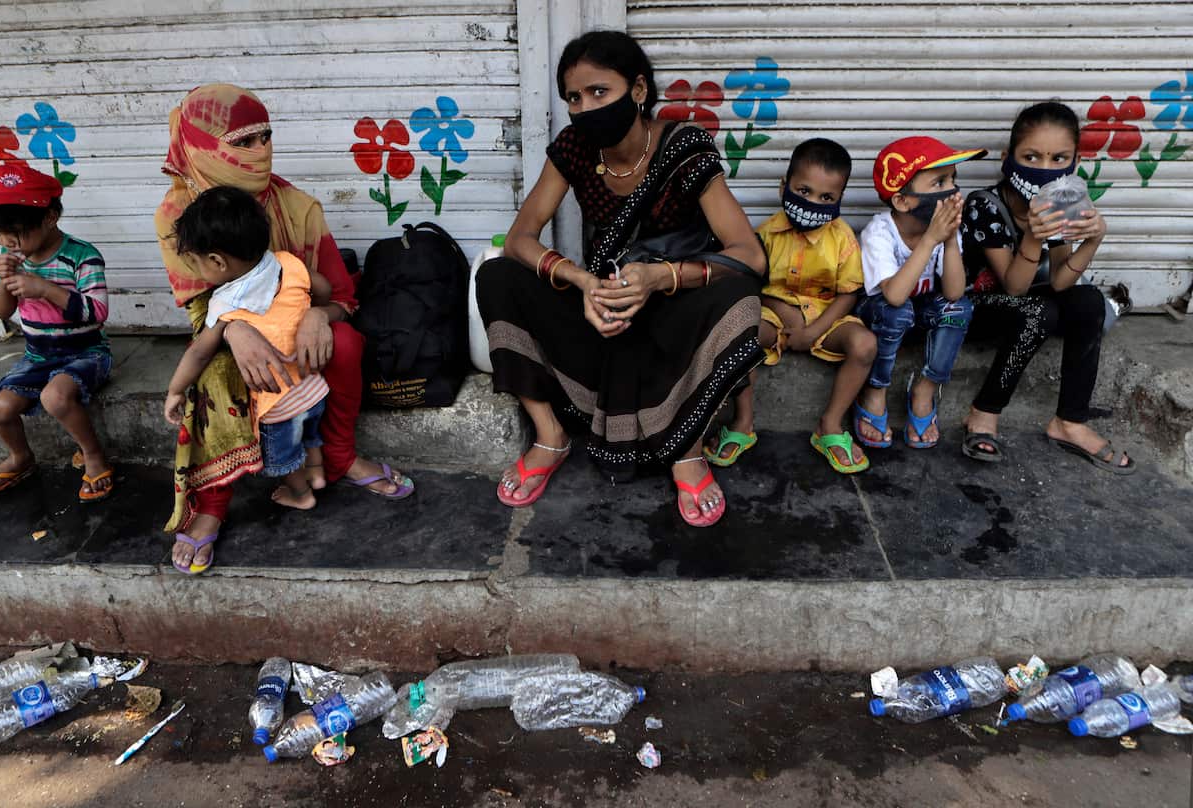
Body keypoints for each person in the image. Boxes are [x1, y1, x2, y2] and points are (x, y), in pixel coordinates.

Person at [476, 30, 766, 528]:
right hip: (605, 305)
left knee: (740, 295)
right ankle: (550, 435)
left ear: (637, 90)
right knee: (497, 274)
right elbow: (522, 236)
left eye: (598, 92)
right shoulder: (574, 149)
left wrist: (661, 278)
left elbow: (750, 257)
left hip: (673, 309)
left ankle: (687, 448)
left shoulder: (684, 146)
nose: (585, 107)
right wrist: (582, 282)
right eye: (574, 97)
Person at [157, 84, 413, 573]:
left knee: (343, 342)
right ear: (202, 145)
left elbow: (341, 295)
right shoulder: (175, 217)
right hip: (225, 330)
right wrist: (234, 331)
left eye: (265, 136)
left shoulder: (298, 207)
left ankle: (337, 457)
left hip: (297, 329)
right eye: (243, 141)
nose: (261, 151)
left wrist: (320, 315)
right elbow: (199, 315)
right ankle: (212, 503)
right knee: (211, 374)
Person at [959, 101, 1135, 474]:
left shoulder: (1058, 203)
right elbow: (1014, 287)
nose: (1044, 168)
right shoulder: (984, 205)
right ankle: (984, 410)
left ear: (1073, 162)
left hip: (1027, 307)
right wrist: (1033, 236)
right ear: (1009, 158)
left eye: (1059, 159)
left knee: (1088, 300)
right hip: (975, 308)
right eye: (1031, 156)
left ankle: (1069, 422)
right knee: (1040, 309)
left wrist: (1092, 240)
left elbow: (1059, 280)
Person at [165, 187, 332, 572]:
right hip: (314, 385)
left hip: (277, 404)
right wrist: (310, 310)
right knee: (312, 433)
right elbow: (322, 290)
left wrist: (176, 390)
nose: (196, 271)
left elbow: (199, 352)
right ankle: (319, 473)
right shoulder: (289, 263)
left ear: (216, 262)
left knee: (286, 456)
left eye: (196, 263)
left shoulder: (225, 305)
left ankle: (301, 493)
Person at [709, 138, 877, 474]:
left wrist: (813, 329)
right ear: (784, 186)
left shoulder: (842, 239)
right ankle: (743, 423)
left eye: (826, 197)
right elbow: (749, 285)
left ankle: (829, 425)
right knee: (743, 333)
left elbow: (848, 293)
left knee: (865, 344)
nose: (813, 202)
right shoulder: (766, 235)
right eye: (803, 191)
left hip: (825, 318)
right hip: (774, 314)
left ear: (840, 199)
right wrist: (786, 315)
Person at [0, 164, 114, 502]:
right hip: (37, 356)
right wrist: (5, 283)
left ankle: (92, 455)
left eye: (15, 232)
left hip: (87, 353)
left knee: (55, 397)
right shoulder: (10, 257)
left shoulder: (82, 256)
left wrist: (46, 289)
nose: (7, 241)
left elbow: (97, 312)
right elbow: (1, 311)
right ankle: (21, 457)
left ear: (49, 216)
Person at [852, 136, 980, 450]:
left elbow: (952, 293)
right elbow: (894, 296)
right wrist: (929, 241)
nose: (952, 191)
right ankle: (875, 389)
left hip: (919, 309)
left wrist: (948, 240)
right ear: (902, 201)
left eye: (953, 180)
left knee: (959, 308)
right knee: (898, 309)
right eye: (939, 182)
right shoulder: (879, 232)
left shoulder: (943, 231)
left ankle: (925, 388)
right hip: (882, 314)